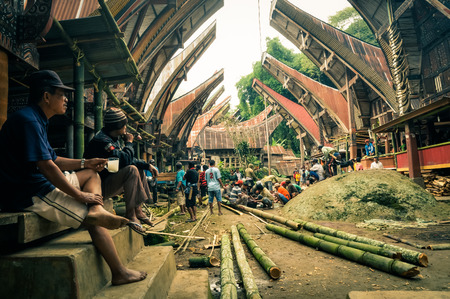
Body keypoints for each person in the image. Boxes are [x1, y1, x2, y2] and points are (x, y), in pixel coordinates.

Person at [0, 70, 146, 285]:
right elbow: (47, 166)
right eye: (61, 94)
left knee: (91, 174)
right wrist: (79, 195)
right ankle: (119, 272)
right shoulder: (28, 121)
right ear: (47, 97)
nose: (66, 99)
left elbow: (53, 158)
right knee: (93, 220)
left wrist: (85, 163)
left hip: (40, 183)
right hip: (29, 192)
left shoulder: (36, 119)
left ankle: (97, 210)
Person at [84, 108, 158, 233]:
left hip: (107, 179)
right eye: (124, 124)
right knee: (131, 170)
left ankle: (137, 210)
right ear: (117, 126)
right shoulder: (102, 141)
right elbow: (124, 160)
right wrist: (129, 143)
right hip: (97, 187)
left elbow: (123, 161)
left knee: (138, 169)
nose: (126, 128)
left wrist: (146, 166)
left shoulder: (114, 138)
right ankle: (131, 215)